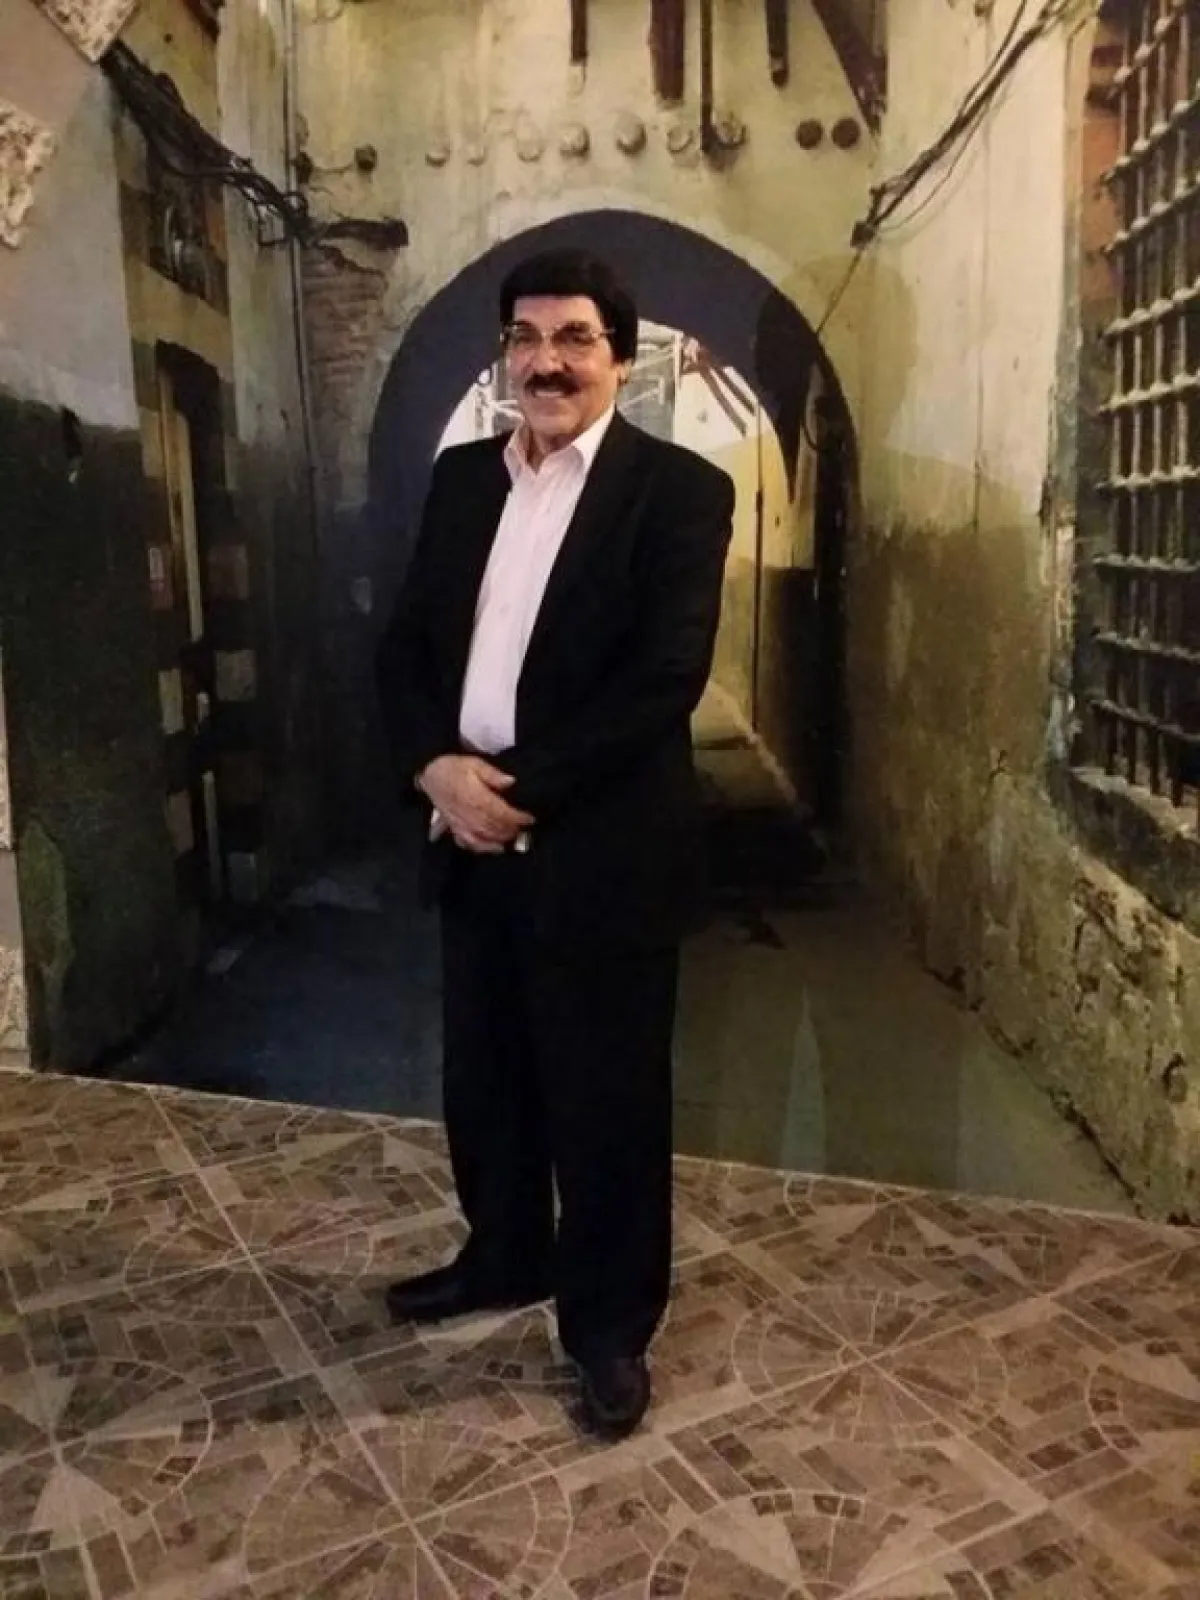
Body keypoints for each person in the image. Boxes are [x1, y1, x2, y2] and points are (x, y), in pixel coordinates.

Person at [375, 247, 734, 1437]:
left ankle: (609, 1327)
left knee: (608, 1102)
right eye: (526, 338)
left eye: (575, 338)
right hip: (465, 833)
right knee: (486, 1080)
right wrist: (434, 766)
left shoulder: (678, 492)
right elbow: (406, 646)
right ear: (505, 356)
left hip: (601, 851)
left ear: (621, 358)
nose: (547, 361)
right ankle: (504, 1255)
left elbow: (662, 679)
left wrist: (513, 793)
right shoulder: (464, 480)